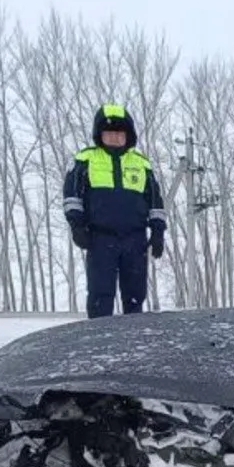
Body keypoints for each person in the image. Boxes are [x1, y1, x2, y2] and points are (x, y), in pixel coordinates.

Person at [62, 104, 166, 317]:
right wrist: (77, 226)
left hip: (135, 238)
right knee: (101, 293)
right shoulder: (86, 160)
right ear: (100, 134)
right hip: (100, 238)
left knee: (135, 293)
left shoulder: (141, 164)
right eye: (110, 133)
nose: (115, 138)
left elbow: (155, 201)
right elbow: (72, 196)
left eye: (120, 133)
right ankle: (98, 341)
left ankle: (135, 339)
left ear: (129, 135)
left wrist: (158, 232)